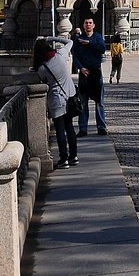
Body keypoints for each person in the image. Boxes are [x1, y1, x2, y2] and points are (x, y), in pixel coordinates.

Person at [32, 36, 79, 168]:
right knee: (69, 127)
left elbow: (42, 80)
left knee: (60, 129)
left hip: (56, 100)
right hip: (69, 96)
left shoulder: (43, 68)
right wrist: (50, 38)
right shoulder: (60, 55)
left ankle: (63, 159)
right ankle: (73, 156)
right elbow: (70, 41)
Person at [73, 17, 107, 136]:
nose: (88, 25)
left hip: (95, 72)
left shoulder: (97, 37)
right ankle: (83, 128)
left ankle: (101, 127)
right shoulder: (78, 40)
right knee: (83, 102)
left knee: (99, 102)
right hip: (84, 73)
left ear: (93, 25)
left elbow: (102, 49)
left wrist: (90, 43)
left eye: (90, 23)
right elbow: (75, 56)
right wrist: (81, 68)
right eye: (86, 23)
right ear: (83, 25)